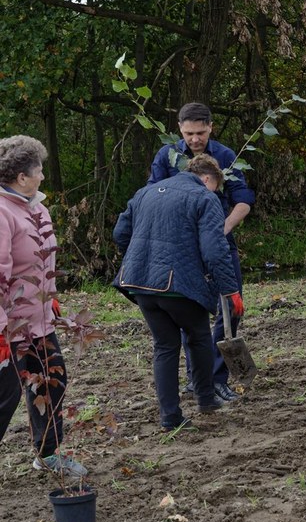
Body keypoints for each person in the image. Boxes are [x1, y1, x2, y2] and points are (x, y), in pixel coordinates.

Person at [114, 155, 244, 431]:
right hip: (178, 285)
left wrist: (142, 261)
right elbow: (214, 250)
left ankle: (170, 417)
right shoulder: (204, 197)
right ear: (207, 179)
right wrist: (230, 290)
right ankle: (206, 399)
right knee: (199, 338)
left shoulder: (145, 192)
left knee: (164, 346)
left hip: (140, 284)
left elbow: (120, 234)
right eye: (215, 187)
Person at [148, 102, 255, 402]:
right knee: (190, 313)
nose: (195, 139)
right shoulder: (168, 156)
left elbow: (243, 200)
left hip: (219, 244)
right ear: (179, 130)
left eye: (200, 133)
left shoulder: (226, 156)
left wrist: (220, 229)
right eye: (189, 134)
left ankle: (217, 377)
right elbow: (153, 195)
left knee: (231, 308)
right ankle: (198, 379)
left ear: (210, 127)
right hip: (182, 250)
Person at [0, 136, 87, 478]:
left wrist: (49, 299)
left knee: (52, 381)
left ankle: (48, 454)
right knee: (5, 396)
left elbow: (42, 263)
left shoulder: (37, 208)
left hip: (39, 320)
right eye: (39, 170)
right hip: (10, 327)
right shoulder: (2, 213)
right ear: (21, 177)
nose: (43, 176)